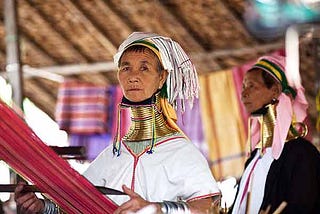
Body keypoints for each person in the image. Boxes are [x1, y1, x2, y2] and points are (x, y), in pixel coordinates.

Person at [14, 32, 221, 213]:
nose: (133, 77)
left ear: (162, 78)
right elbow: (78, 208)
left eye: (144, 68)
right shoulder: (113, 154)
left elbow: (210, 209)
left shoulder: (180, 152)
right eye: (126, 68)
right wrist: (42, 208)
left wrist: (158, 209)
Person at [230, 55, 320, 213]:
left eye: (252, 86)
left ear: (275, 91)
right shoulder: (255, 156)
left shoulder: (302, 154)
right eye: (243, 86)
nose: (243, 93)